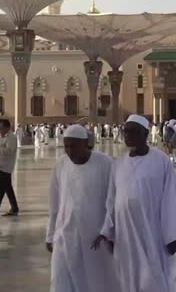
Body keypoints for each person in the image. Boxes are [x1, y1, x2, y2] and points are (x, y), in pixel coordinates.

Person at [93, 115, 176, 292]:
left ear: (145, 134)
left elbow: (171, 198)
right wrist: (108, 231)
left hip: (153, 233)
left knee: (153, 278)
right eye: (126, 131)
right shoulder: (118, 164)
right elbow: (112, 200)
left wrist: (173, 234)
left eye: (133, 132)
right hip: (126, 234)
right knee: (128, 278)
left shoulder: (161, 161)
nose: (128, 136)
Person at [46, 124, 118, 292]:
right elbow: (54, 202)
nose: (70, 151)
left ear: (85, 144)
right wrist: (50, 235)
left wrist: (108, 231)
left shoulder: (104, 163)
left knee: (95, 281)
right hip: (64, 234)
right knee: (60, 280)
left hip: (95, 237)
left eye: (74, 146)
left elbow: (113, 200)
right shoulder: (61, 164)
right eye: (67, 146)